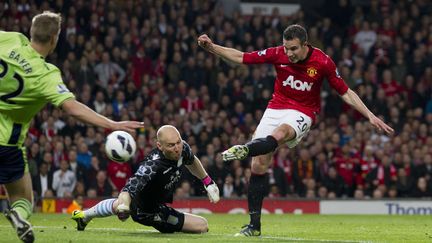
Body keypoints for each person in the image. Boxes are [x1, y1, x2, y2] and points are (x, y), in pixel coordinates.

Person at [198, 24, 394, 237]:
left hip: (303, 112)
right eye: (286, 48)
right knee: (259, 163)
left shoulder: (322, 61)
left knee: (281, 133)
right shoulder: (278, 53)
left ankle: (245, 149)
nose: (288, 53)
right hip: (276, 107)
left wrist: (370, 115)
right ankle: (254, 226)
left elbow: (345, 92)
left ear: (305, 45)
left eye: (293, 49)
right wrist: (211, 47)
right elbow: (241, 57)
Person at [0, 11, 143, 243]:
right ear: (55, 39)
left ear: (31, 31)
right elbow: (72, 108)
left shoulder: (10, 39)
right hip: (7, 145)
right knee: (23, 198)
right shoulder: (46, 74)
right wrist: (111, 123)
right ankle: (18, 214)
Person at [72, 125, 220, 234]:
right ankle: (121, 208)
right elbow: (129, 188)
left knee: (203, 226)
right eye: (171, 145)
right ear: (159, 146)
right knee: (202, 226)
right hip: (147, 212)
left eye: (178, 142)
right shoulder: (152, 165)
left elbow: (192, 161)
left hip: (158, 203)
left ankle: (84, 216)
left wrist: (207, 182)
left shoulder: (183, 148)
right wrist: (124, 205)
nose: (177, 148)